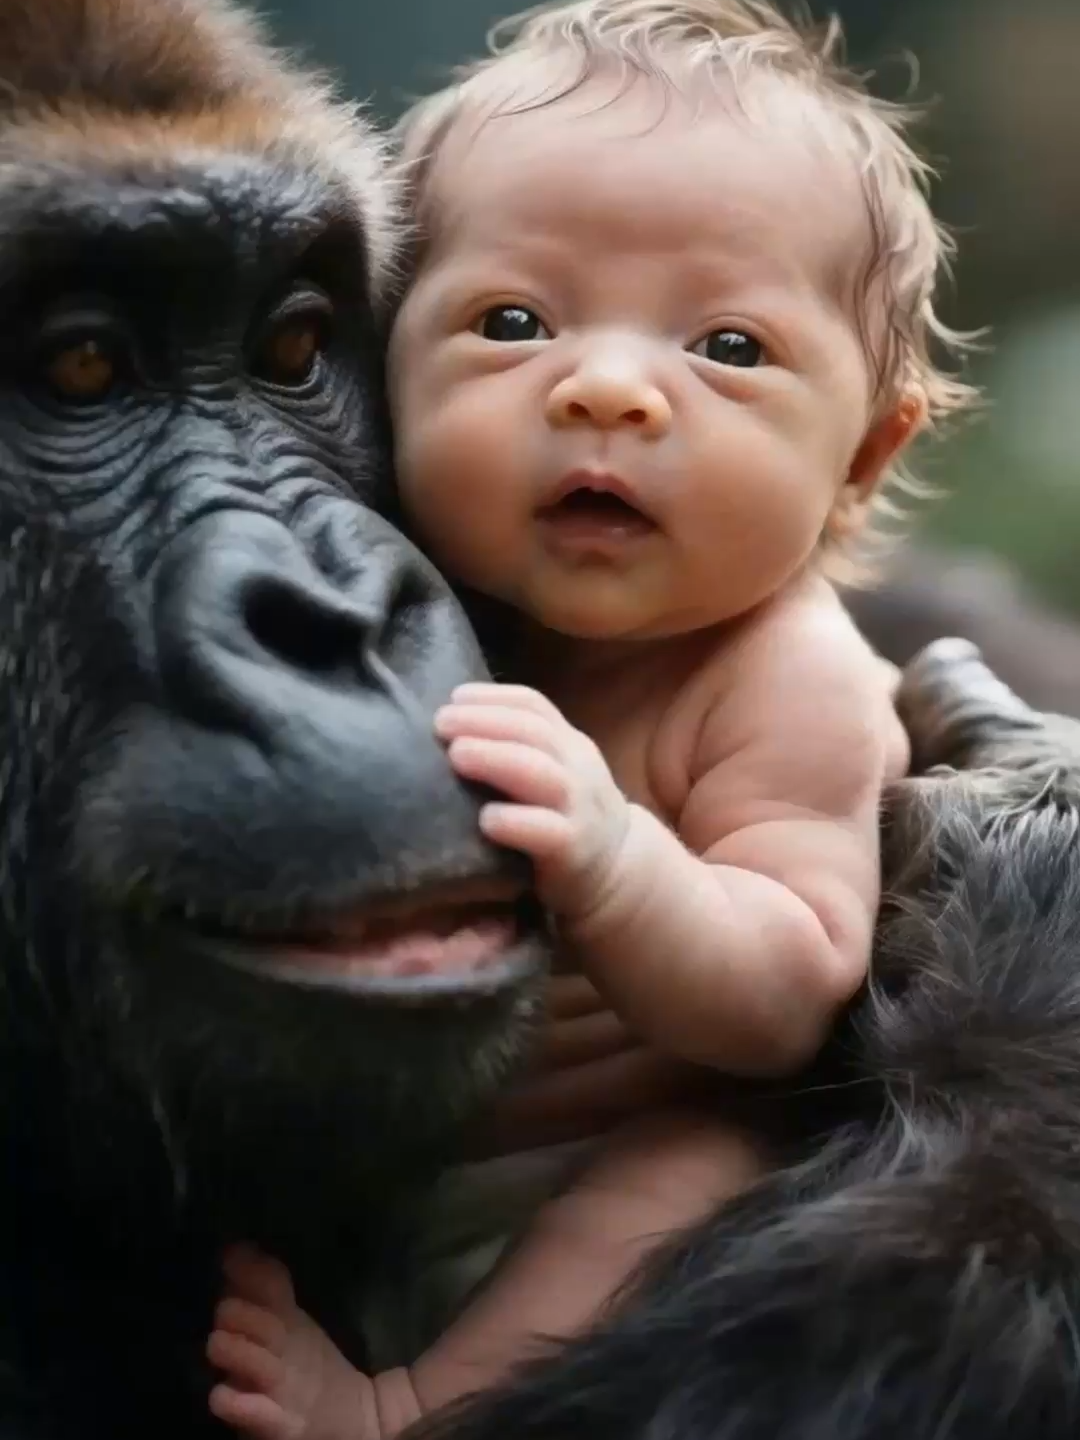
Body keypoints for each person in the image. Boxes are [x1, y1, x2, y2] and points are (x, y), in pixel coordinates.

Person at [206, 2, 978, 1436]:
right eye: (513, 323)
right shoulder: (395, 584)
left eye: (729, 347)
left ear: (864, 450)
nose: (609, 388)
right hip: (394, 1132)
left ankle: (415, 1408)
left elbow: (786, 993)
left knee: (699, 1160)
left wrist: (623, 860)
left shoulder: (781, 676)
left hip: (587, 1162)